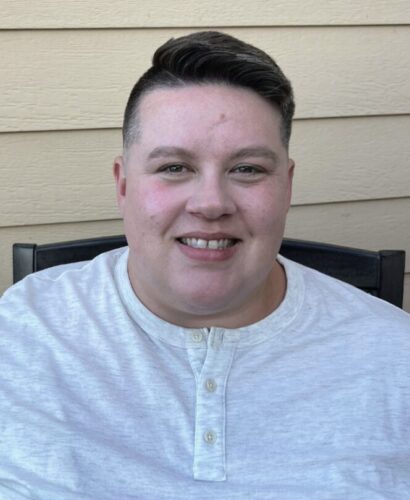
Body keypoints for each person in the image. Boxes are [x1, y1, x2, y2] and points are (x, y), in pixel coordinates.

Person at [0, 31, 409, 500]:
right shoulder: (25, 331)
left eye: (248, 169)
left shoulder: (395, 357)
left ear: (287, 186)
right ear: (124, 185)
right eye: (174, 167)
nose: (211, 203)